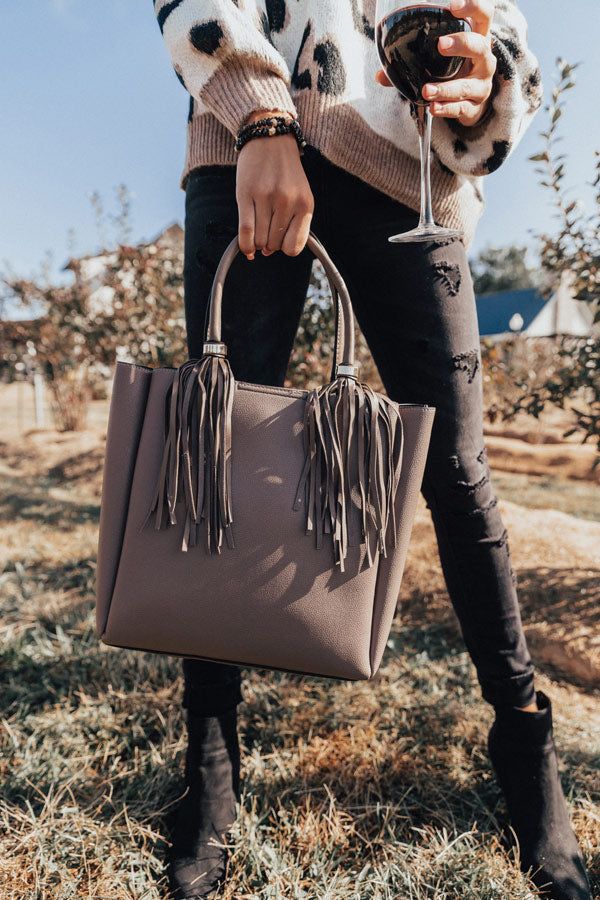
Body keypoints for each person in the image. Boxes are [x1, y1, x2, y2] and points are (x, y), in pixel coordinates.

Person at [153, 1, 592, 898]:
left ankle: (524, 741)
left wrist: (488, 76)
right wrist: (260, 115)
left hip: (406, 160)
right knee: (218, 447)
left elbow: (494, 21)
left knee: (458, 471)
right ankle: (210, 758)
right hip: (249, 140)